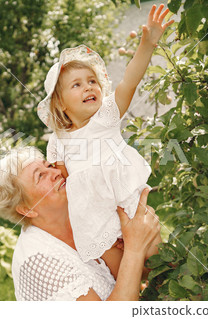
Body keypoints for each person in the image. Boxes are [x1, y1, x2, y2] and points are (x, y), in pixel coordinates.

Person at [36, 4, 173, 272]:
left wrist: (146, 44)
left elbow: (130, 81)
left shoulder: (106, 117)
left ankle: (167, 285)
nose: (88, 86)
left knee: (158, 261)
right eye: (77, 84)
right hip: (94, 222)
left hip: (129, 208)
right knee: (125, 275)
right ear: (61, 104)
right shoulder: (58, 140)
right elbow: (62, 182)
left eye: (92, 81)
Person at [0, 147, 161, 300]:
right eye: (41, 176)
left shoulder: (82, 217)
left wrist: (145, 229)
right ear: (26, 209)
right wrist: (135, 247)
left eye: (49, 166)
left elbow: (143, 273)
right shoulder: (37, 262)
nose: (56, 173)